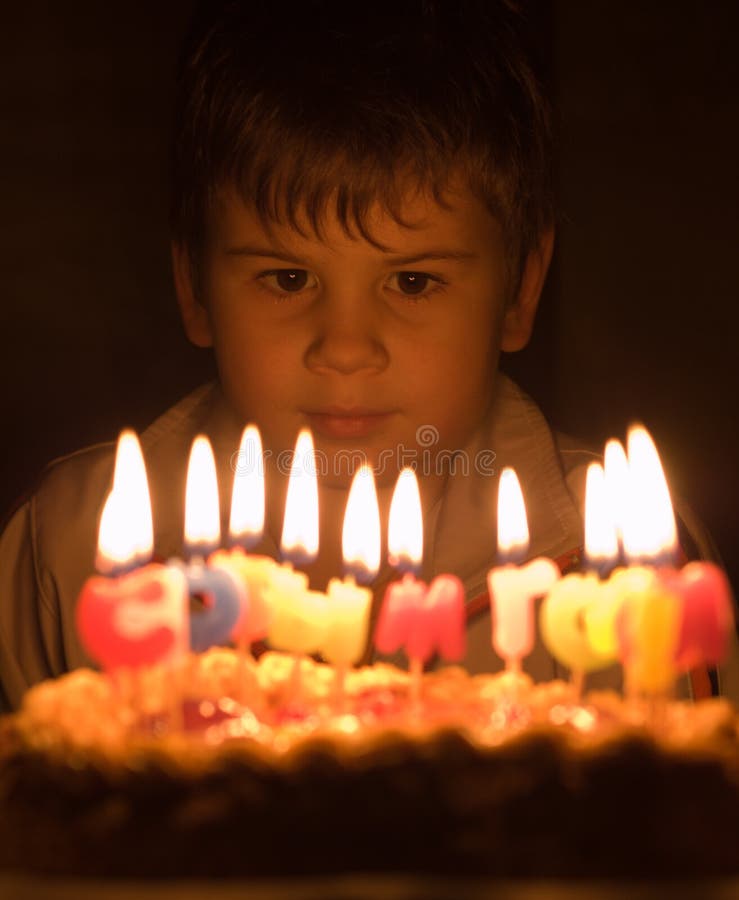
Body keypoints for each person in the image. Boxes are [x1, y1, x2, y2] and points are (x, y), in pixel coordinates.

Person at [0, 0, 736, 711]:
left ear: (519, 291)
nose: (346, 350)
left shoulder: (632, 567)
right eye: (288, 278)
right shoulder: (67, 550)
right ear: (194, 285)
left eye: (413, 281)